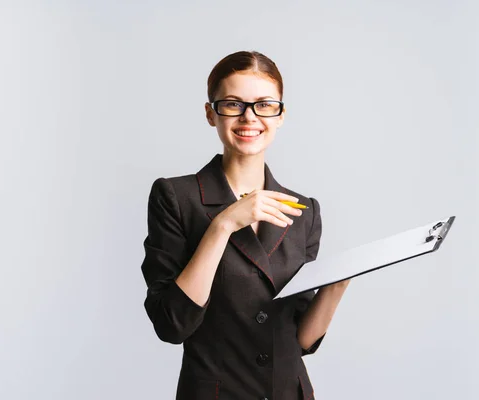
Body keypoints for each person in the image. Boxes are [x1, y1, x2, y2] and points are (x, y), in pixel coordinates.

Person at [140, 50, 350, 400]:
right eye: (233, 104)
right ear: (211, 113)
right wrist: (223, 224)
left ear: (281, 114)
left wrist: (337, 285)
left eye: (264, 104)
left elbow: (300, 341)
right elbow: (172, 324)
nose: (249, 117)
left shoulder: (304, 211)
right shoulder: (176, 197)